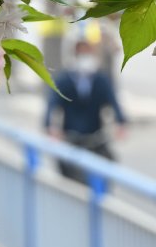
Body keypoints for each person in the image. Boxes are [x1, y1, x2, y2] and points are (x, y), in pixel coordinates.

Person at [44, 40, 127, 183]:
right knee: (74, 181)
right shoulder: (64, 80)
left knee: (105, 173)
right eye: (81, 54)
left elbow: (113, 101)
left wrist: (121, 123)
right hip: (71, 138)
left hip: (96, 138)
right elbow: (52, 104)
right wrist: (49, 128)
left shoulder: (101, 79)